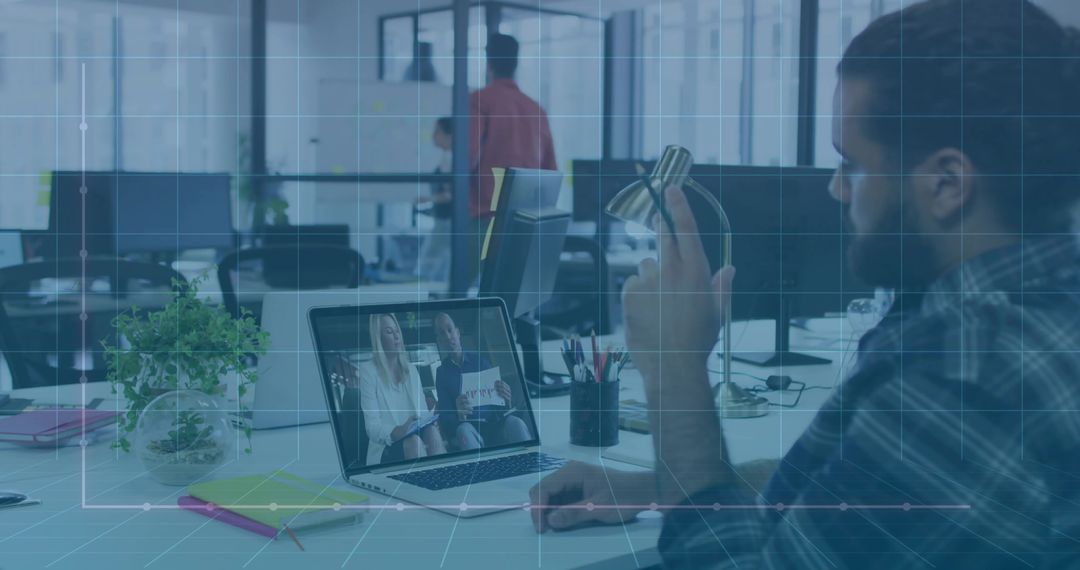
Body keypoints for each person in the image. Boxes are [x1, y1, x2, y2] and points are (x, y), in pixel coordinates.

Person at [530, 1, 1080, 567]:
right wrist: (656, 482)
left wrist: (673, 367)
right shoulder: (1043, 306)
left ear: (946, 183)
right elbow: (853, 486)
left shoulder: (962, 375)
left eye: (853, 164)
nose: (838, 190)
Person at [465, 33, 558, 281]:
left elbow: (469, 157)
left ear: (489, 63)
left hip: (485, 216)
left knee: (459, 295)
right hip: (524, 222)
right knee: (511, 297)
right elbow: (550, 170)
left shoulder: (479, 101)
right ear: (516, 64)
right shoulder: (536, 109)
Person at [432, 312, 532, 451]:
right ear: (440, 341)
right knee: (463, 429)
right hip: (469, 428)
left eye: (450, 330)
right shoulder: (441, 373)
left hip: (494, 425)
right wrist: (459, 414)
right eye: (442, 333)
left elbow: (499, 407)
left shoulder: (480, 361)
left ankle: (532, 465)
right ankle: (480, 472)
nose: (448, 336)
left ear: (458, 332)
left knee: (516, 423)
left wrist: (506, 399)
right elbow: (446, 418)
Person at [358, 313, 445, 466]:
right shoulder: (368, 372)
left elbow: (422, 413)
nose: (397, 336)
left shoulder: (411, 370)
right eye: (389, 332)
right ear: (379, 339)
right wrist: (396, 431)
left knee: (432, 432)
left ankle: (442, 480)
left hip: (415, 435)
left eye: (397, 330)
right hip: (387, 444)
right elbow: (372, 427)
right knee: (414, 442)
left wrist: (430, 420)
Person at [416, 117, 454, 282]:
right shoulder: (446, 157)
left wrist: (428, 198)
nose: (433, 136)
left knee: (431, 260)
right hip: (444, 219)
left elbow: (451, 195)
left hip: (448, 220)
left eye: (437, 132)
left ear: (450, 135)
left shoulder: (452, 159)